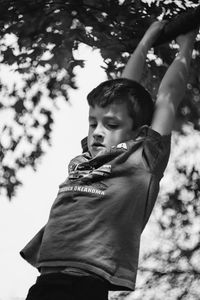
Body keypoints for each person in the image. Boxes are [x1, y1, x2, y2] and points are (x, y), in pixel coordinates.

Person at [20, 21, 197, 300]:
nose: (98, 131)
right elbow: (122, 91)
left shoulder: (142, 158)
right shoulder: (89, 157)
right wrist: (144, 44)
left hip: (85, 284)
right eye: (93, 123)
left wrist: (186, 44)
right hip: (45, 281)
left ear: (137, 133)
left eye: (111, 125)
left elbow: (168, 98)